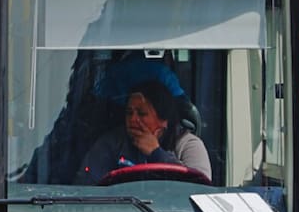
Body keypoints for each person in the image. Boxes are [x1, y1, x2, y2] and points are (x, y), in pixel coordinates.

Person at [74, 79, 212, 185]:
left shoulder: (189, 145)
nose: (133, 119)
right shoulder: (111, 144)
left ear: (164, 120)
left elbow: (200, 189)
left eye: (142, 113)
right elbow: (86, 183)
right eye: (129, 113)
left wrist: (156, 153)